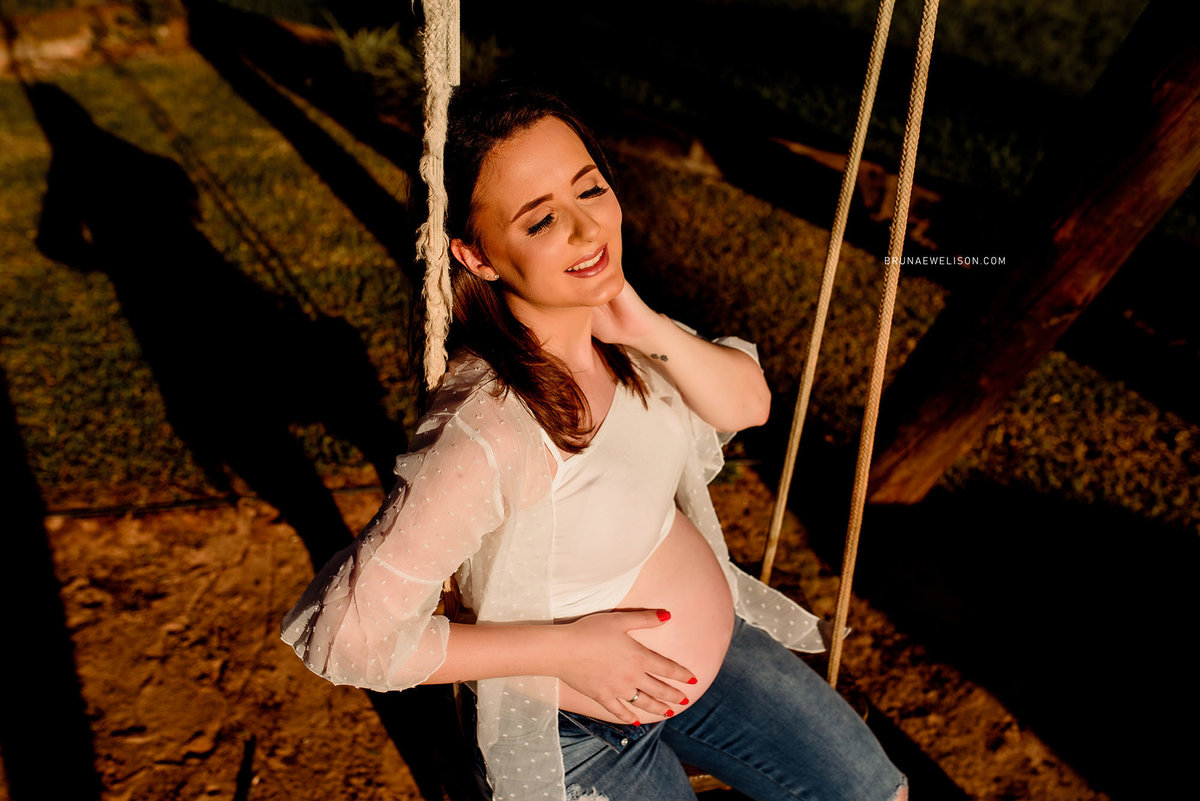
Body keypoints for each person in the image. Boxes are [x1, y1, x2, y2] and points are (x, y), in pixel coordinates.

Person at [282, 85, 906, 801]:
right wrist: (567, 650)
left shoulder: (617, 332)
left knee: (875, 792)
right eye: (542, 220)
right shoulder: (492, 427)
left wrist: (641, 325)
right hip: (576, 729)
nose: (586, 230)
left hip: (714, 661)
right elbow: (346, 636)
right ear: (477, 256)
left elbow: (750, 402)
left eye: (591, 189)